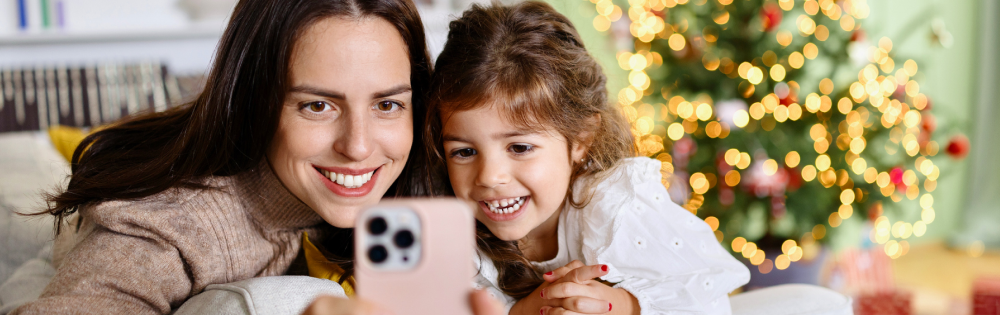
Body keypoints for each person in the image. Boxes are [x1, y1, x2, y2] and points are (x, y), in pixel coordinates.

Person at [8, 0, 492, 313]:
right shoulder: (173, 227)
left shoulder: (433, 170)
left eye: (387, 104)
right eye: (317, 105)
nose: (359, 147)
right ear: (254, 100)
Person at [426, 2, 751, 314]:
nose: (489, 176)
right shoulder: (452, 236)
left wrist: (624, 306)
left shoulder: (613, 206)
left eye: (520, 148)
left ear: (580, 140)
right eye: (464, 152)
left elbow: (709, 297)